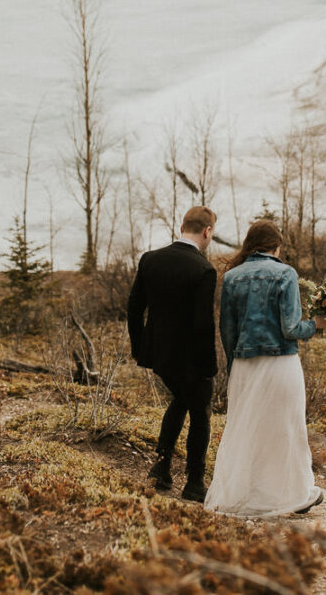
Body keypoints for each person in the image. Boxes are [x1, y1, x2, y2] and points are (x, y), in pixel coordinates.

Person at [205, 219, 326, 517]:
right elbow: (290, 328)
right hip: (281, 365)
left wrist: (236, 367)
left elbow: (227, 330)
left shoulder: (233, 278)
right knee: (285, 430)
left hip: (245, 364)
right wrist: (316, 325)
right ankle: (293, 494)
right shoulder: (285, 273)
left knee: (246, 430)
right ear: (277, 246)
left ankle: (243, 495)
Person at [126, 206, 219, 502]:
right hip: (190, 359)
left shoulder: (150, 260)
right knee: (200, 410)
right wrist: (209, 366)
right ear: (207, 232)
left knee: (181, 399)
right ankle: (194, 481)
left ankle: (162, 467)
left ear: (182, 227)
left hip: (159, 356)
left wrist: (140, 348)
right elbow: (203, 323)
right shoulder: (203, 269)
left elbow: (134, 308)